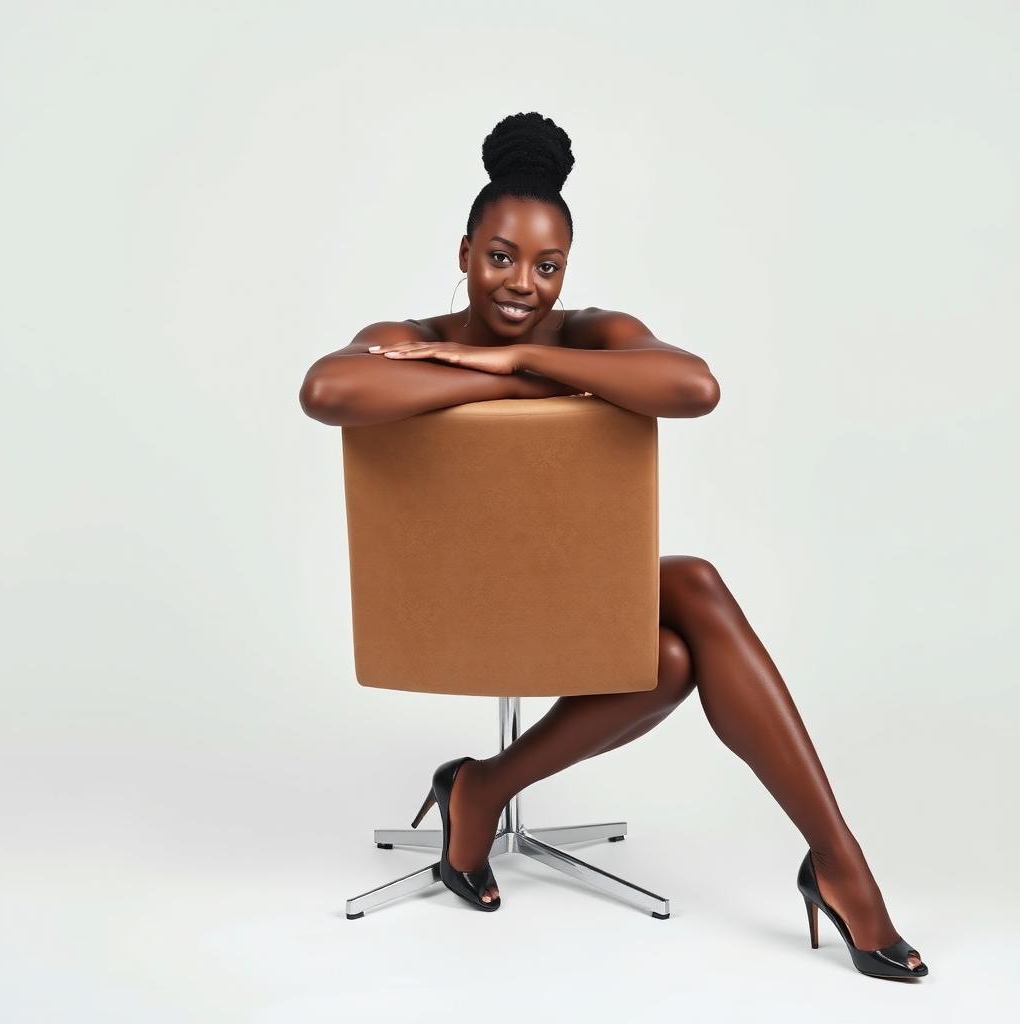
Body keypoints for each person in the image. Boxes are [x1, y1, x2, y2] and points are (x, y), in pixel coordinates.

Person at [299, 111, 928, 980]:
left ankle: (481, 790)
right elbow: (327, 388)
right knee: (690, 602)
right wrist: (463, 365)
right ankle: (837, 866)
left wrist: (518, 367)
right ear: (463, 252)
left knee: (670, 657)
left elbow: (693, 386)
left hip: (566, 594)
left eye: (547, 266)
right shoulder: (406, 336)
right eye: (501, 256)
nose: (523, 284)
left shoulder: (588, 333)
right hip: (445, 602)